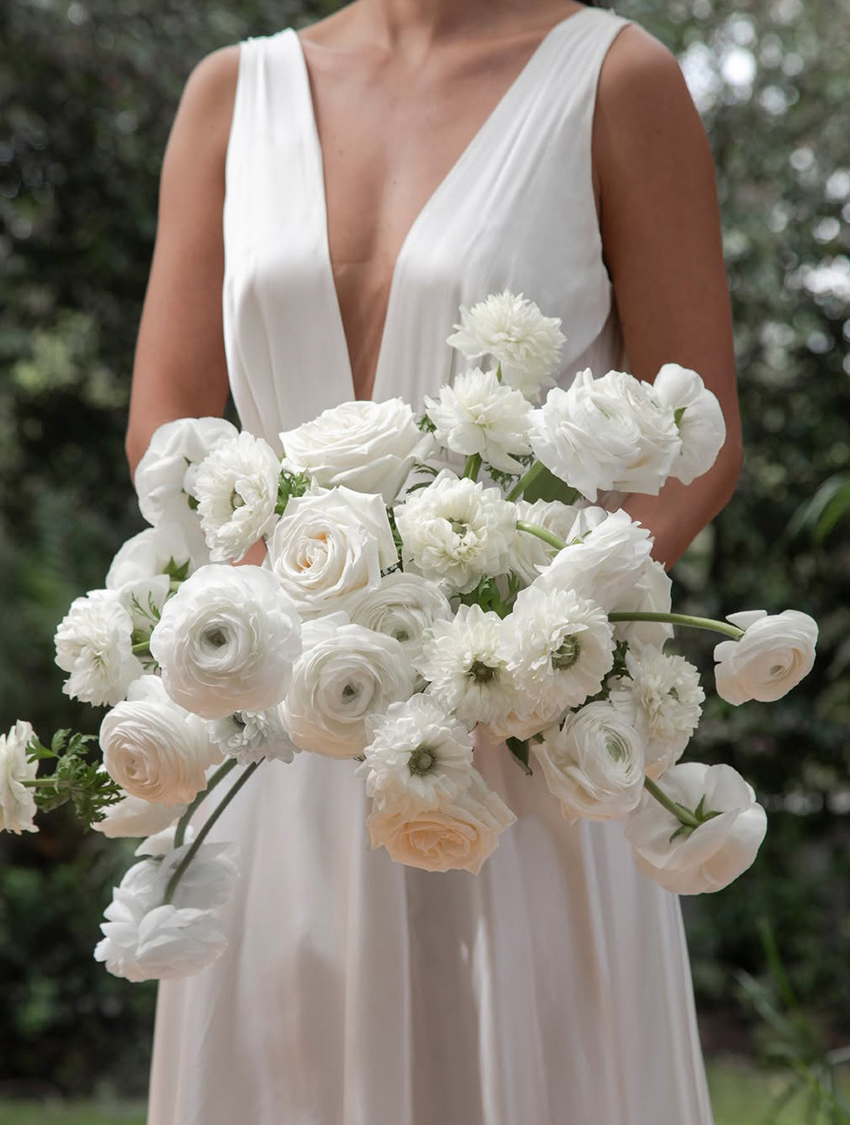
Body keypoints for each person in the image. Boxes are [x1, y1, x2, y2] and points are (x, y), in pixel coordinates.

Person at [126, 1, 742, 1121]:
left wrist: (542, 629)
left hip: (517, 725)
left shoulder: (616, 80)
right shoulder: (232, 92)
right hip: (279, 725)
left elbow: (696, 436)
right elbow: (166, 425)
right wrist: (308, 629)